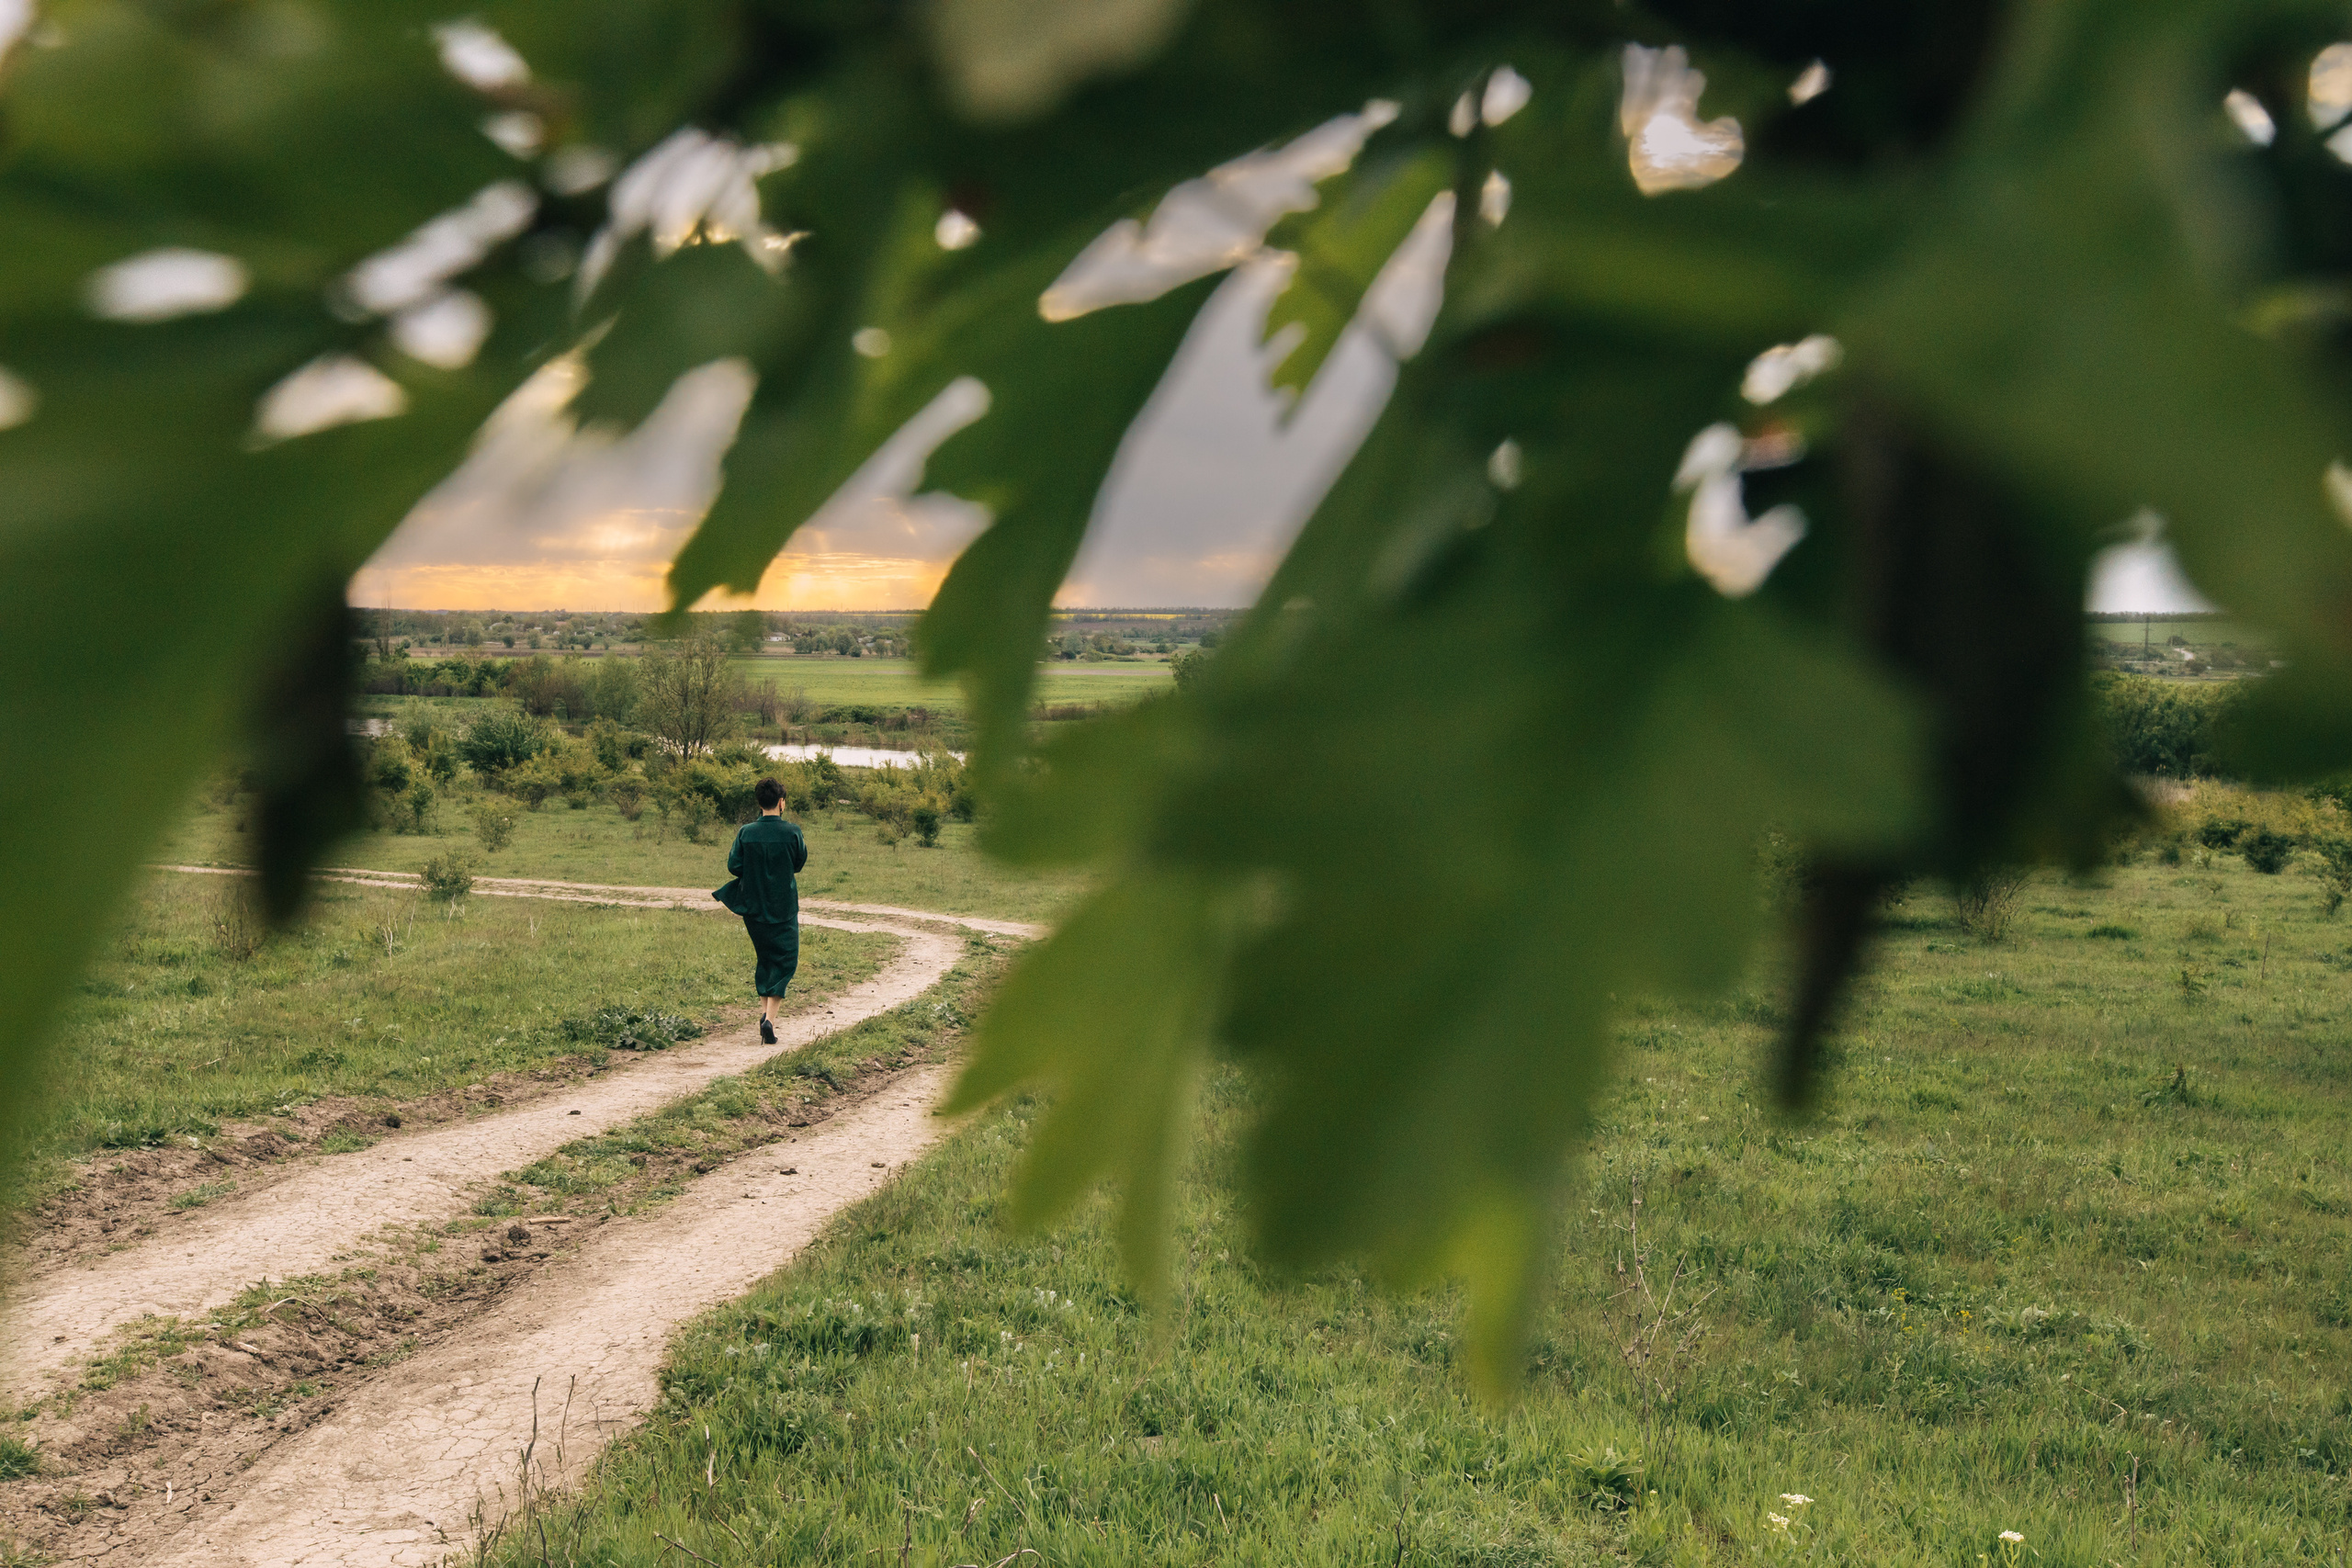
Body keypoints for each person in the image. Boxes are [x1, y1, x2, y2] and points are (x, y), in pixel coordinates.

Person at [712, 778, 808, 1043]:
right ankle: (769, 1021)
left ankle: (764, 1014)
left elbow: (734, 866)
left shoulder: (746, 832)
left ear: (759, 803)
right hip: (784, 906)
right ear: (781, 802)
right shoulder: (792, 832)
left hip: (753, 906)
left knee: (765, 958)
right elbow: (799, 863)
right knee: (785, 961)